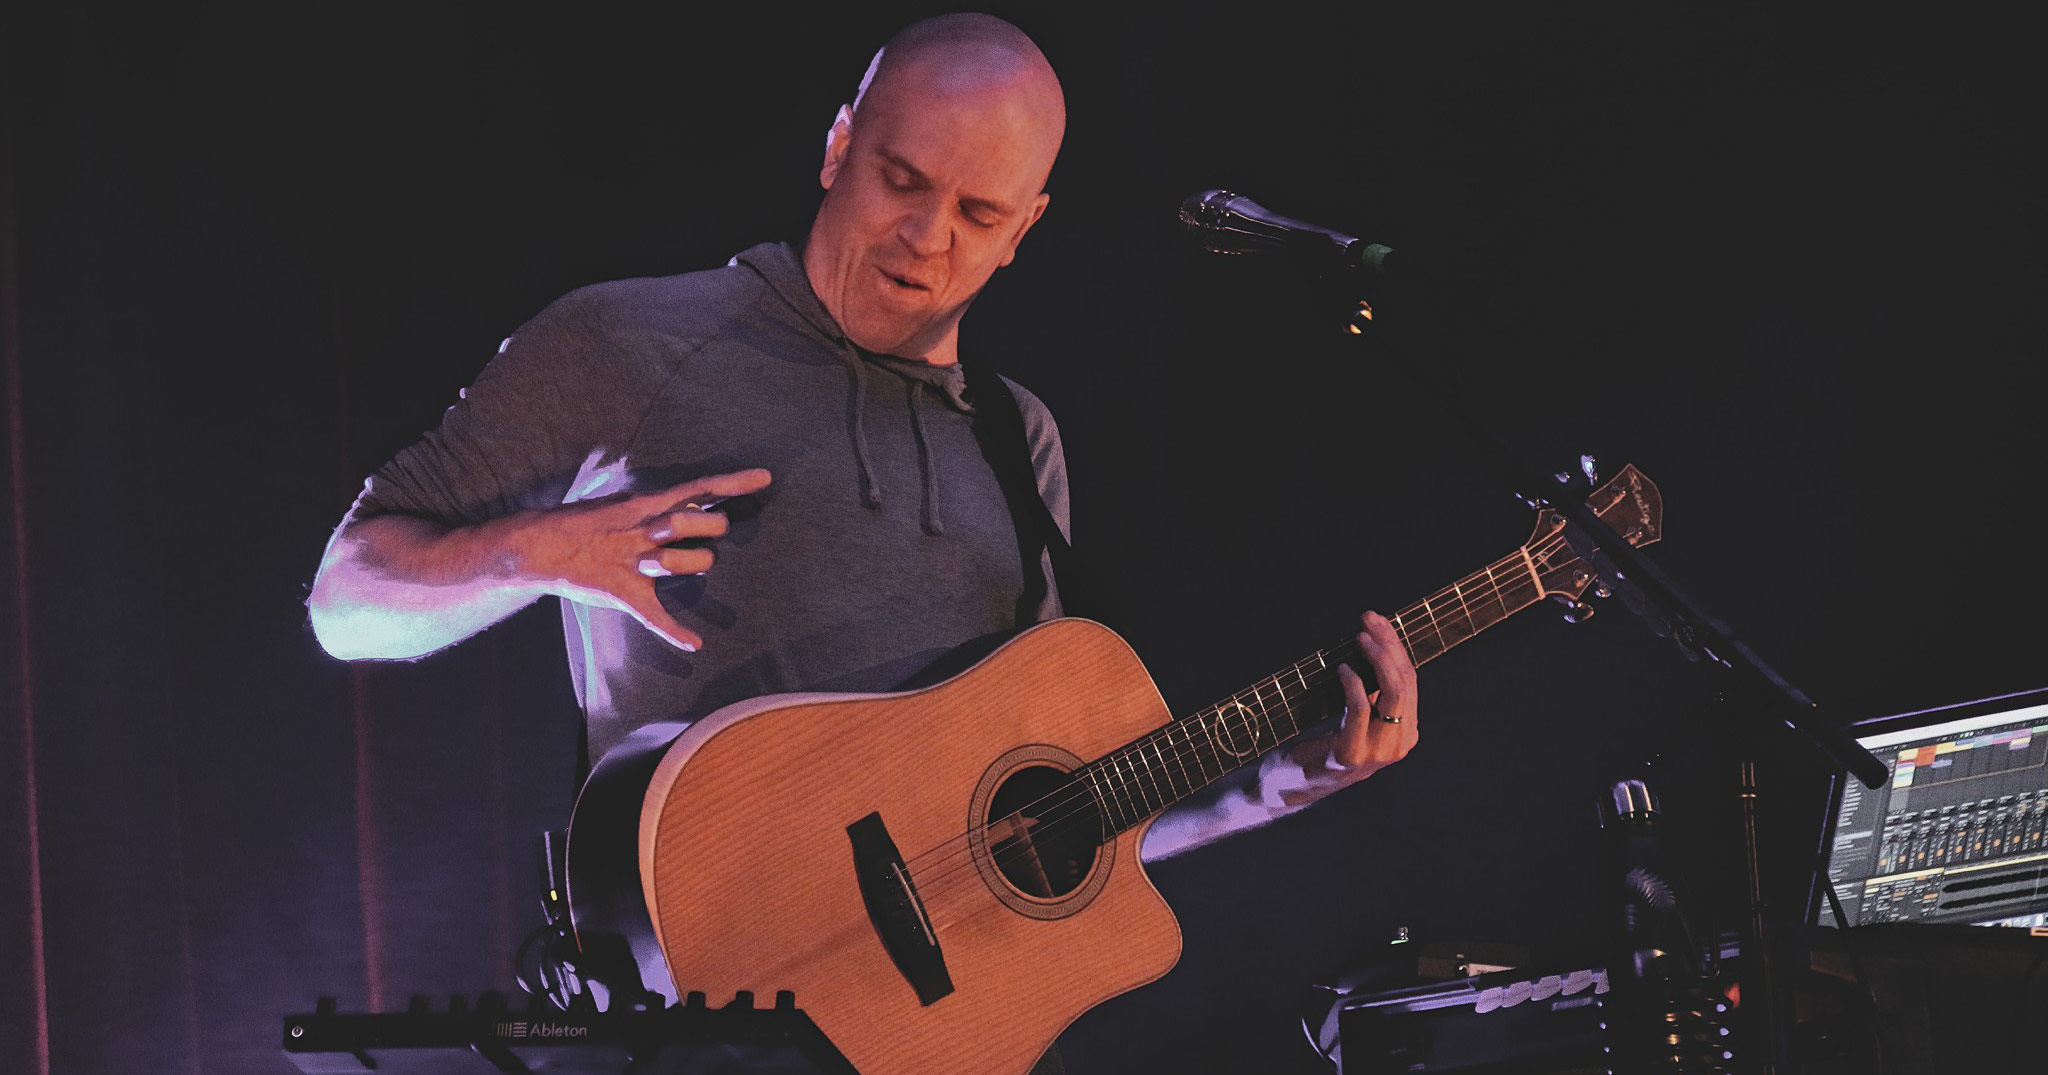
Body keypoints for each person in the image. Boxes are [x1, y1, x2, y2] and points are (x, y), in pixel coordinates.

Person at [307, 10, 1418, 1070]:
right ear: (839, 144)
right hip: (713, 1033)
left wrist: (1286, 778)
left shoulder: (1014, 436)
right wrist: (536, 552)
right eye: (902, 179)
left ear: (1025, 227)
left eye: (979, 213)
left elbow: (1034, 831)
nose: (927, 238)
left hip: (953, 1044)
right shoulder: (627, 344)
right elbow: (346, 599)